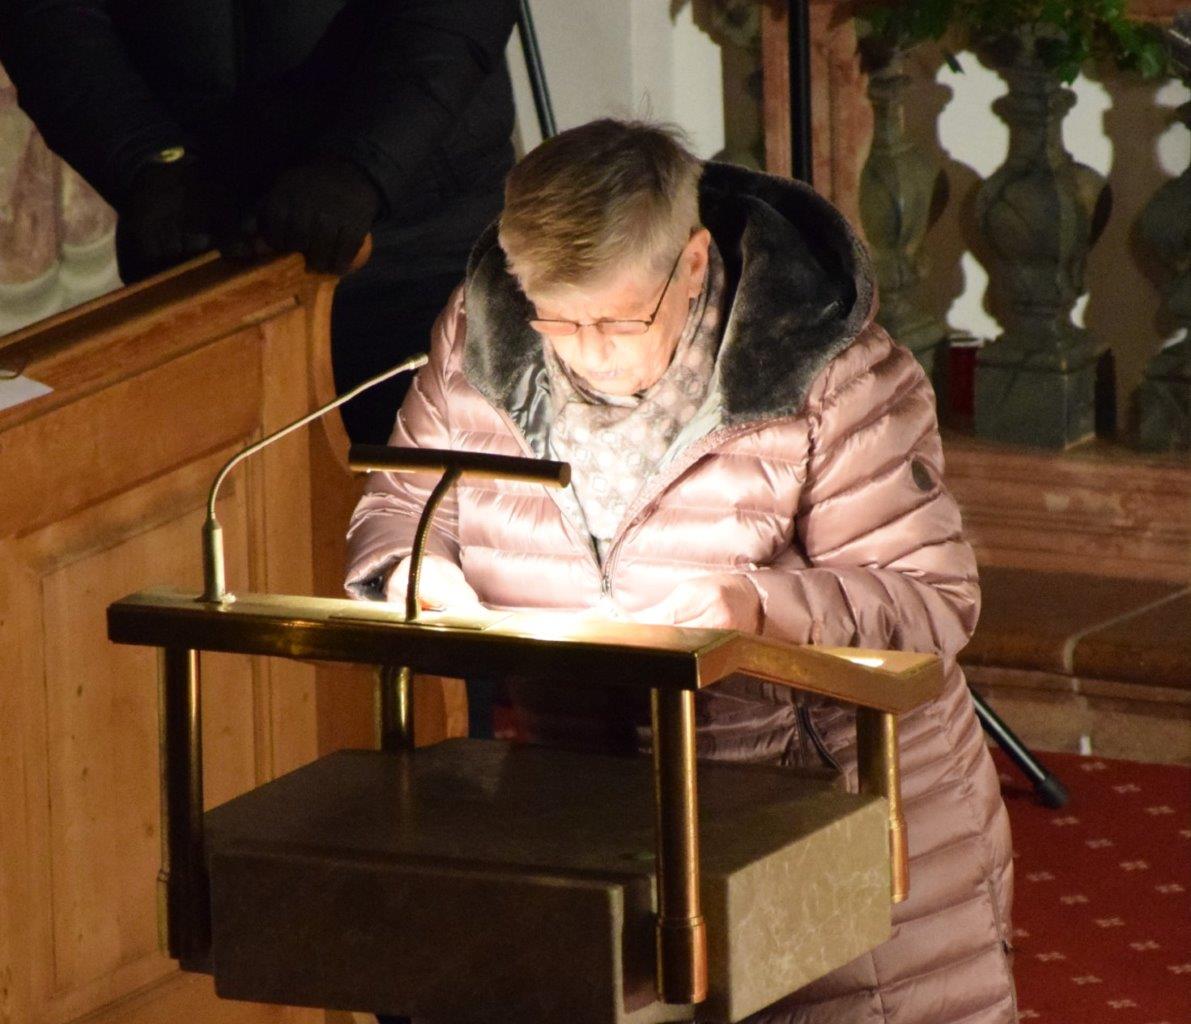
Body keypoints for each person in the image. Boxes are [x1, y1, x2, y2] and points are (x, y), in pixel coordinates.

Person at [345, 119, 1015, 1024]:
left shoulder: (830, 375)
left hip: (823, 805)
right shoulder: (481, 341)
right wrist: (413, 571)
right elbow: (400, 500)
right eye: (557, 318)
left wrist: (750, 607)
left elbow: (932, 603)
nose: (588, 350)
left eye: (619, 320)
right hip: (599, 804)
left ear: (693, 264)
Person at [2, 0, 517, 443]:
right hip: (202, 259)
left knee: (468, 504)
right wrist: (146, 160)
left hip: (423, 248)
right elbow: (46, 16)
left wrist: (364, 164)